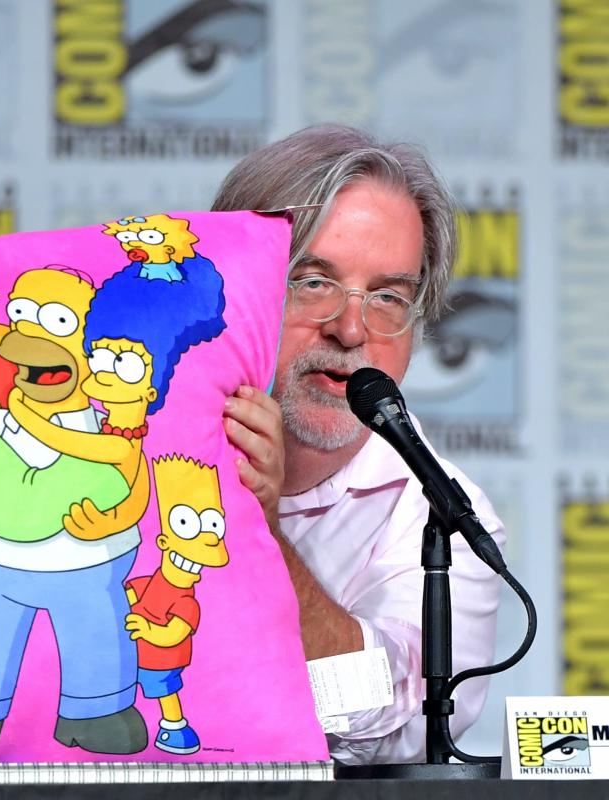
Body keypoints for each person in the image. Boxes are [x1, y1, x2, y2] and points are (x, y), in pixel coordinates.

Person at [214, 124, 504, 764]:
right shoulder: (111, 442)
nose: (351, 328)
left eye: (387, 296)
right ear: (231, 283)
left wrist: (259, 539)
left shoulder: (445, 518)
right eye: (313, 281)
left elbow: (391, 732)